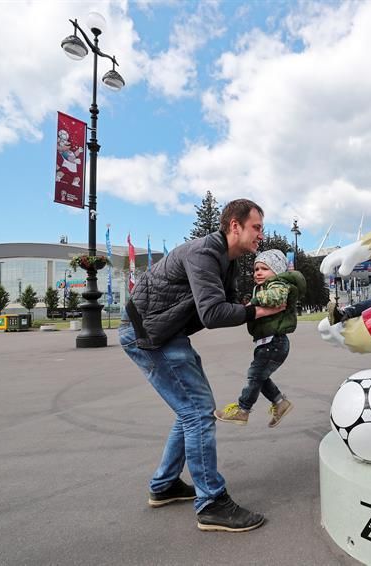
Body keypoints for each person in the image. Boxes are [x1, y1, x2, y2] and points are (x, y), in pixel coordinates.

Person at [120, 199, 285, 533]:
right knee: (197, 411)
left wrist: (259, 303)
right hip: (149, 334)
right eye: (256, 228)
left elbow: (225, 303)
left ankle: (164, 485)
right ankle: (211, 503)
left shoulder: (227, 260)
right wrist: (256, 312)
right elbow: (212, 313)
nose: (261, 236)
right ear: (234, 226)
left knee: (190, 411)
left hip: (165, 332)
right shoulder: (204, 253)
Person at [214, 249, 306, 427]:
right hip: (268, 342)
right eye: (256, 269)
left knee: (254, 376)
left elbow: (276, 297)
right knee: (260, 378)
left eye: (264, 268)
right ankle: (280, 403)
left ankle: (243, 410)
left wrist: (254, 301)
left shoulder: (278, 284)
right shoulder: (265, 287)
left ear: (277, 271)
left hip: (275, 342)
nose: (258, 273)